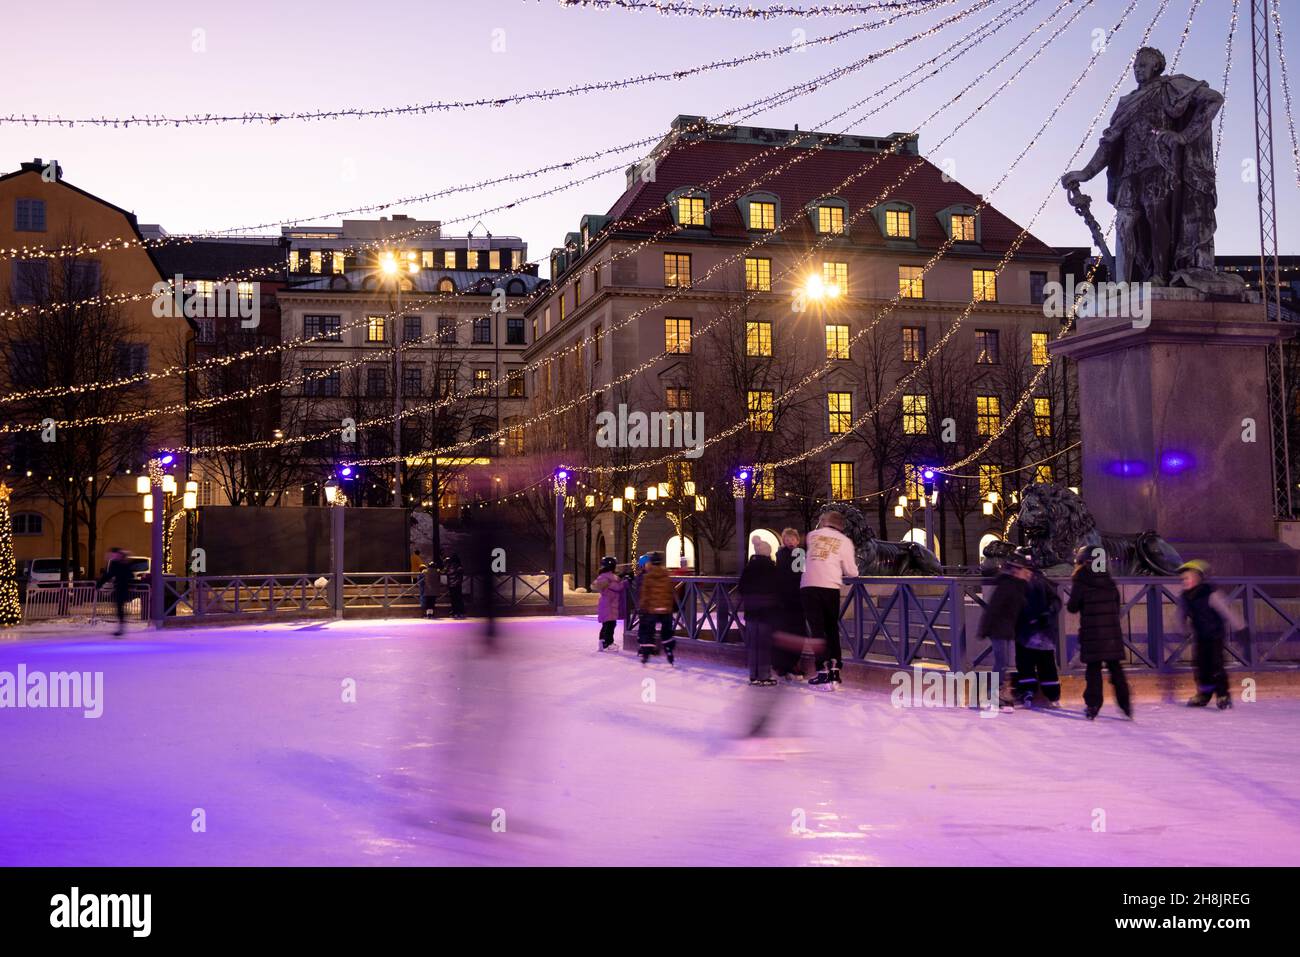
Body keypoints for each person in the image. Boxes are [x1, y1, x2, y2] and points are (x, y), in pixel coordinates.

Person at [1067, 546, 1132, 720]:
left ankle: (1093, 705)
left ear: (1083, 562)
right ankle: (1125, 705)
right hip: (1111, 635)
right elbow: (1117, 606)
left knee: (1093, 671)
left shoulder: (1081, 580)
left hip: (1092, 634)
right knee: (1116, 669)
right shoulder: (1109, 580)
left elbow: (1072, 607)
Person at [800, 511, 858, 689]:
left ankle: (821, 670)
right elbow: (852, 571)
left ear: (824, 522)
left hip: (809, 586)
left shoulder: (812, 536)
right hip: (830, 587)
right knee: (831, 629)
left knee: (816, 631)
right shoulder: (845, 541)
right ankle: (835, 670)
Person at [1178, 559, 1245, 709]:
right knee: (1200, 666)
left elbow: (1227, 611)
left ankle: (1223, 694)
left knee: (1216, 665)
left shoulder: (1210, 593)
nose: (1184, 581)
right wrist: (1183, 629)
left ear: (1197, 578)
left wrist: (1241, 628)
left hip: (1215, 635)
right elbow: (1181, 614)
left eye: (1187, 578)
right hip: (1200, 636)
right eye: (1182, 579)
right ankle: (1204, 694)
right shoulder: (1185, 596)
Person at [975, 555, 1032, 712]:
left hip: (1006, 629)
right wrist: (984, 629)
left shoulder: (1018, 585)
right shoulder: (1008, 585)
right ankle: (993, 696)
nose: (1028, 573)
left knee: (1004, 663)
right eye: (1025, 570)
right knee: (1001, 663)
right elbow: (993, 609)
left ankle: (998, 695)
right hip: (998, 629)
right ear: (1016, 571)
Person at [1015, 560, 1063, 708]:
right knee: (1045, 663)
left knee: (1028, 663)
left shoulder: (1024, 584)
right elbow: (1056, 602)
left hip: (1029, 632)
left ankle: (1030, 691)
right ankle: (1051, 693)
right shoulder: (1044, 582)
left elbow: (1019, 607)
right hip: (1042, 631)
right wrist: (1048, 615)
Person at [738, 536, 779, 686]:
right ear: (768, 553)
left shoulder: (749, 568)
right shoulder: (771, 568)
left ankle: (753, 675)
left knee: (753, 645)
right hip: (766, 613)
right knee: (764, 646)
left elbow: (742, 588)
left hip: (751, 612)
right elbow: (777, 590)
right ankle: (764, 675)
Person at [773, 528, 808, 681]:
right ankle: (788, 664)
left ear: (797, 540)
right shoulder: (796, 554)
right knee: (794, 633)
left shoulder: (784, 554)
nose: (790, 542)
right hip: (792, 600)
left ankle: (785, 664)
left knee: (789, 633)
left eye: (792, 539)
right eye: (787, 540)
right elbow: (798, 575)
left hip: (789, 600)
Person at [636, 551, 676, 665]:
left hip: (652, 610)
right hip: (665, 610)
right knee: (667, 632)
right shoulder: (667, 575)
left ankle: (646, 653)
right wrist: (671, 606)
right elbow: (671, 592)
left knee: (648, 631)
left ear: (651, 562)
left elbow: (645, 594)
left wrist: (642, 607)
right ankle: (668, 650)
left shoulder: (648, 576)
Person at [96, 547, 134, 637]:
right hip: (119, 588)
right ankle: (121, 626)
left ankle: (121, 627)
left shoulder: (123, 564)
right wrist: (99, 584)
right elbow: (108, 575)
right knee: (119, 608)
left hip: (123, 589)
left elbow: (130, 575)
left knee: (120, 608)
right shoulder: (117, 564)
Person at [592, 555, 625, 651]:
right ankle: (608, 643)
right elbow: (618, 587)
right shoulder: (609, 578)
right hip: (609, 605)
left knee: (606, 624)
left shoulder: (603, 576)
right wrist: (624, 581)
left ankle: (602, 642)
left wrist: (619, 578)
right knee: (610, 625)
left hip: (605, 604)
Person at [444, 553, 466, 620]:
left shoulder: (449, 566)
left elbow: (446, 572)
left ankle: (455, 612)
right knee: (459, 598)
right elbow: (460, 576)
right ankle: (461, 612)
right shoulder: (459, 567)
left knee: (453, 599)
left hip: (451, 585)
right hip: (458, 585)